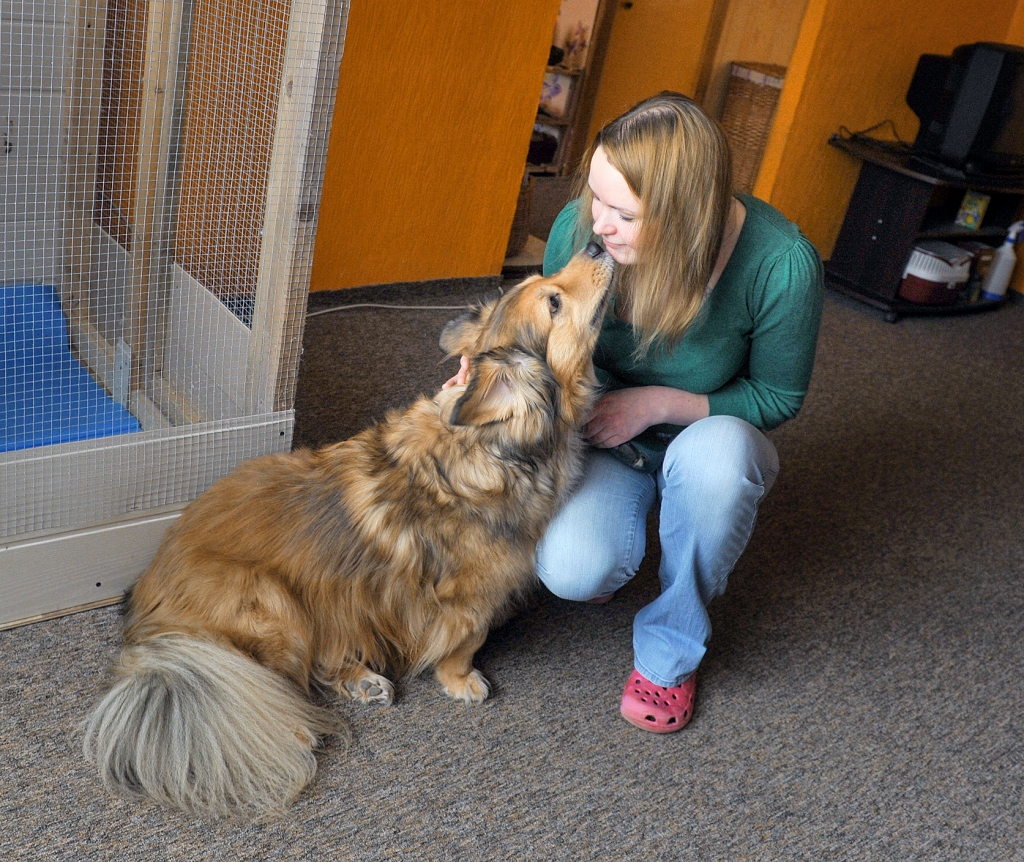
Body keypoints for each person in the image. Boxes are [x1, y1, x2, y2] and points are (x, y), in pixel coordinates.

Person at [449, 91, 823, 733]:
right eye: (596, 196)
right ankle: (618, 543)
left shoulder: (781, 264)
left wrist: (655, 403)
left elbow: (778, 397)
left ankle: (670, 649)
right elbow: (546, 336)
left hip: (707, 432)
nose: (597, 224)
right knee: (573, 571)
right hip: (601, 433)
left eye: (623, 211)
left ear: (687, 217)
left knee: (720, 461)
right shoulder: (582, 226)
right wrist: (490, 366)